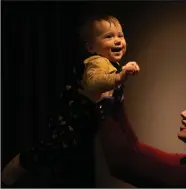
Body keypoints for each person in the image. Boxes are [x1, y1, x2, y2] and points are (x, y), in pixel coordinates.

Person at [1, 15, 140, 187]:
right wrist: (120, 77)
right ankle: (20, 164)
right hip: (70, 121)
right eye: (108, 36)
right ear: (90, 47)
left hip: (83, 126)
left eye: (120, 35)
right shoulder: (96, 62)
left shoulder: (112, 65)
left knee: (64, 159)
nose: (117, 41)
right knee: (51, 150)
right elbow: (93, 82)